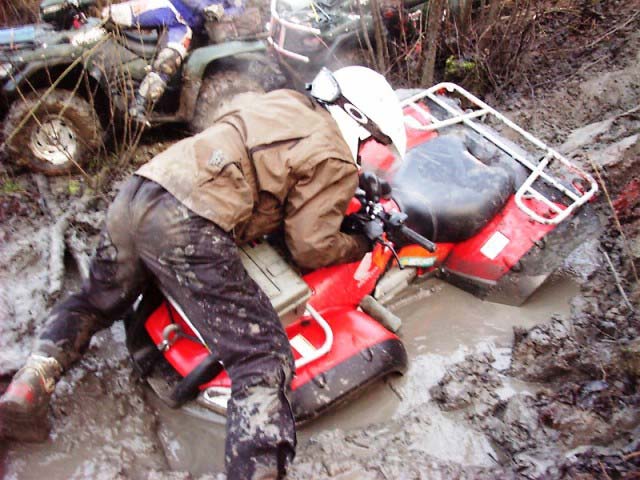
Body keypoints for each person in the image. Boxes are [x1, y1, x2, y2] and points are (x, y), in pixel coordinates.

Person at [0, 66, 407, 479]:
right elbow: (309, 246)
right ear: (358, 121)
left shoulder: (285, 101)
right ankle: (259, 471)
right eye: (373, 138)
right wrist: (360, 243)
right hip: (187, 220)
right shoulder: (335, 152)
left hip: (139, 193)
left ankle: (33, 379)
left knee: (95, 299)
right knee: (261, 354)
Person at [102, 0, 245, 123]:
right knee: (111, 15)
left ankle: (139, 104)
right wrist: (202, 7)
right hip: (168, 5)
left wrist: (222, 12)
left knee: (168, 62)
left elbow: (239, 8)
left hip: (185, 25)